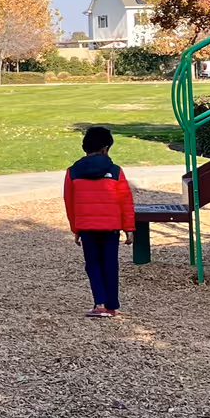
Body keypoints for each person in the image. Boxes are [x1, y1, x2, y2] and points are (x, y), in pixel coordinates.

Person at [63, 125, 134, 317]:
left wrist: (75, 228)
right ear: (106, 148)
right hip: (111, 227)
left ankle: (99, 303)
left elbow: (69, 202)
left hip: (87, 227)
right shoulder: (116, 171)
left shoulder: (73, 172)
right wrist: (128, 228)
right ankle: (111, 305)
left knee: (93, 264)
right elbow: (125, 200)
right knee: (110, 263)